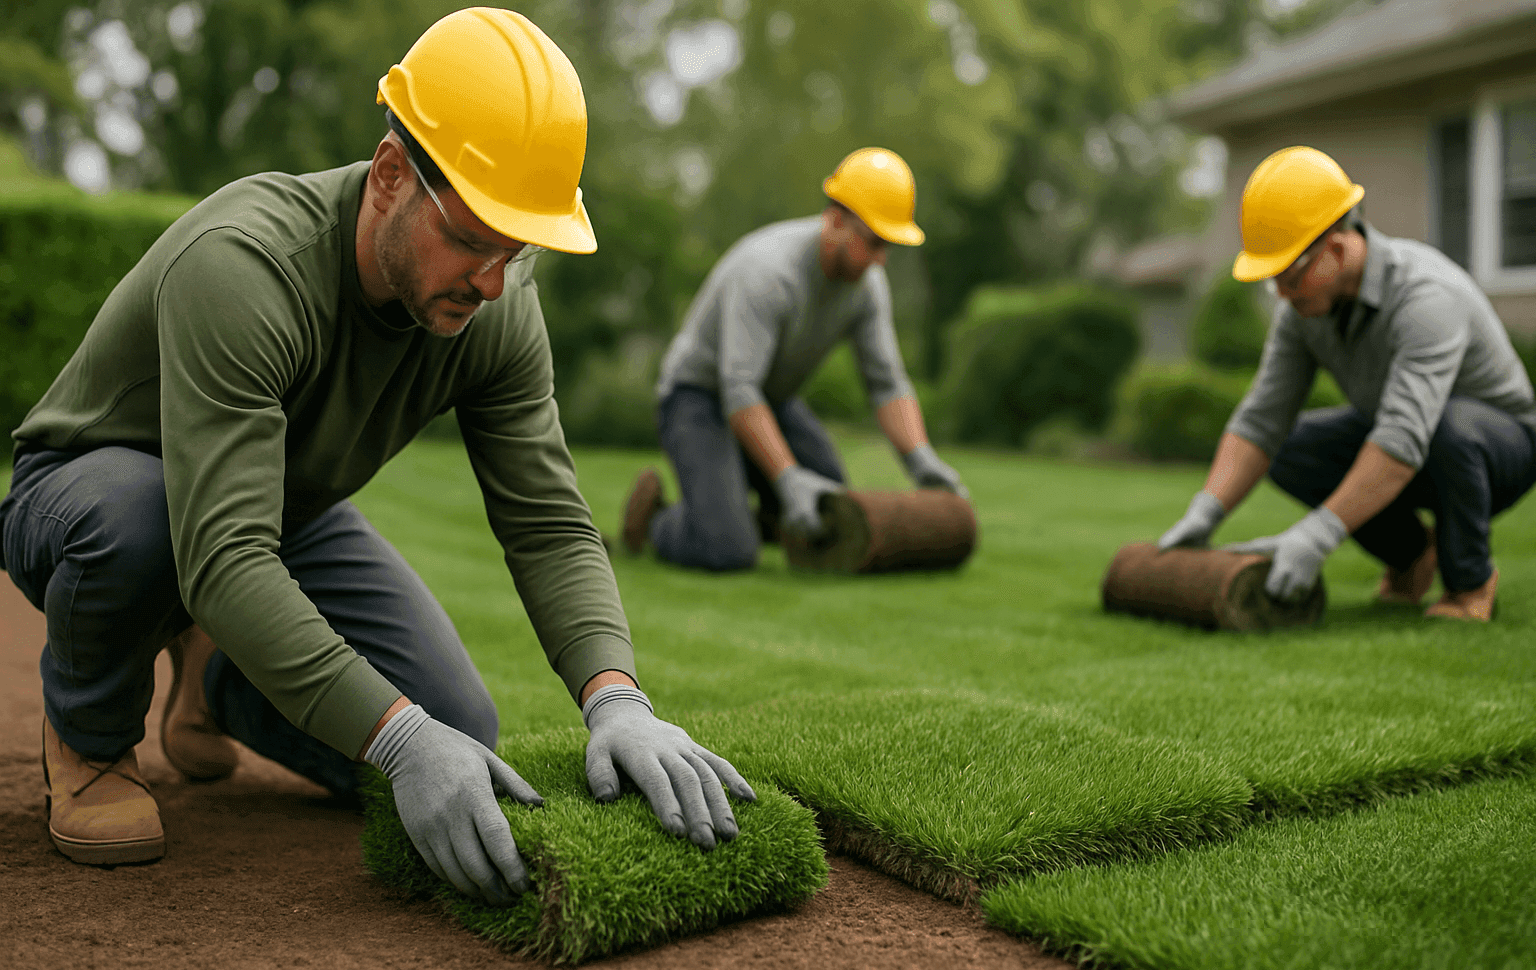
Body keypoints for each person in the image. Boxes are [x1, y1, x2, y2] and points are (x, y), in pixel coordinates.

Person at [0, 8, 754, 903]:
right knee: (148, 524)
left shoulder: (498, 303)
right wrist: (396, 739)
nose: (492, 280)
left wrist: (618, 700)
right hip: (95, 494)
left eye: (517, 246)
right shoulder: (245, 266)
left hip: (278, 513)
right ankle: (90, 739)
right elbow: (224, 554)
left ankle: (217, 674)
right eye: (472, 238)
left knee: (460, 728)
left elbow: (548, 525)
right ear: (392, 175)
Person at [1158, 146, 1536, 622]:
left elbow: (1403, 435)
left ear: (1335, 250)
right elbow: (1262, 419)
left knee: (1447, 427)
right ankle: (1411, 555)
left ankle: (1470, 586)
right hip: (1413, 441)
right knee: (1293, 446)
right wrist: (1206, 510)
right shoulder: (1302, 312)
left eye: (1289, 277)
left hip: (1499, 447)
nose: (1281, 294)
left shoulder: (1425, 297)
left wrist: (1318, 535)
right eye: (1273, 281)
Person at [620, 148, 967, 570]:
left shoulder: (867, 286)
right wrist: (786, 478)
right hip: (697, 398)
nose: (881, 260)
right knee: (727, 550)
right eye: (874, 242)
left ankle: (739, 509)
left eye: (888, 247)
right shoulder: (768, 274)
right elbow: (739, 389)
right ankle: (658, 521)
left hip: (772, 401)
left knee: (831, 501)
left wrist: (921, 459)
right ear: (835, 221)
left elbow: (887, 385)